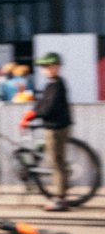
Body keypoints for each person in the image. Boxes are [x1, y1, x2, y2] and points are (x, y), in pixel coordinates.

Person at [23, 52, 73, 211]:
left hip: (56, 127)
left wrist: (33, 115)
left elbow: (49, 107)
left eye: (47, 66)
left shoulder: (56, 85)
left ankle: (60, 198)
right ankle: (60, 192)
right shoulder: (52, 83)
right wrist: (32, 112)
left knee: (55, 162)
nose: (45, 69)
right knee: (56, 161)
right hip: (55, 125)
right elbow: (43, 102)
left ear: (56, 67)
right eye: (43, 67)